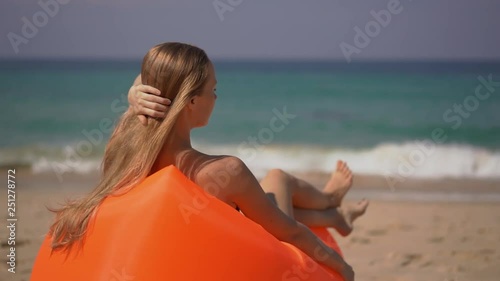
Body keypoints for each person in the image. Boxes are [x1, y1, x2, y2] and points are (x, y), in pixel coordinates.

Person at [50, 42, 365, 281]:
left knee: (268, 195)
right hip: (246, 260)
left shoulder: (122, 144)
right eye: (213, 90)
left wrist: (134, 97)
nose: (216, 98)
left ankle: (335, 213)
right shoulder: (227, 171)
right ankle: (331, 202)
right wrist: (342, 267)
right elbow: (290, 233)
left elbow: (156, 74)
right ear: (191, 101)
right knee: (278, 178)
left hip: (173, 257)